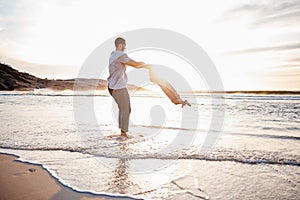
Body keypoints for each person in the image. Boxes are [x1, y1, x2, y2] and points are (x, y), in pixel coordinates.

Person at [108, 37, 190, 138]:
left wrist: (143, 64)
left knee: (123, 108)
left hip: (111, 87)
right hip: (118, 87)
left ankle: (122, 132)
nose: (125, 47)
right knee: (126, 109)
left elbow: (133, 64)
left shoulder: (112, 54)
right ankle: (123, 134)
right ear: (120, 45)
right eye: (124, 45)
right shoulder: (120, 54)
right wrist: (148, 66)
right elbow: (136, 65)